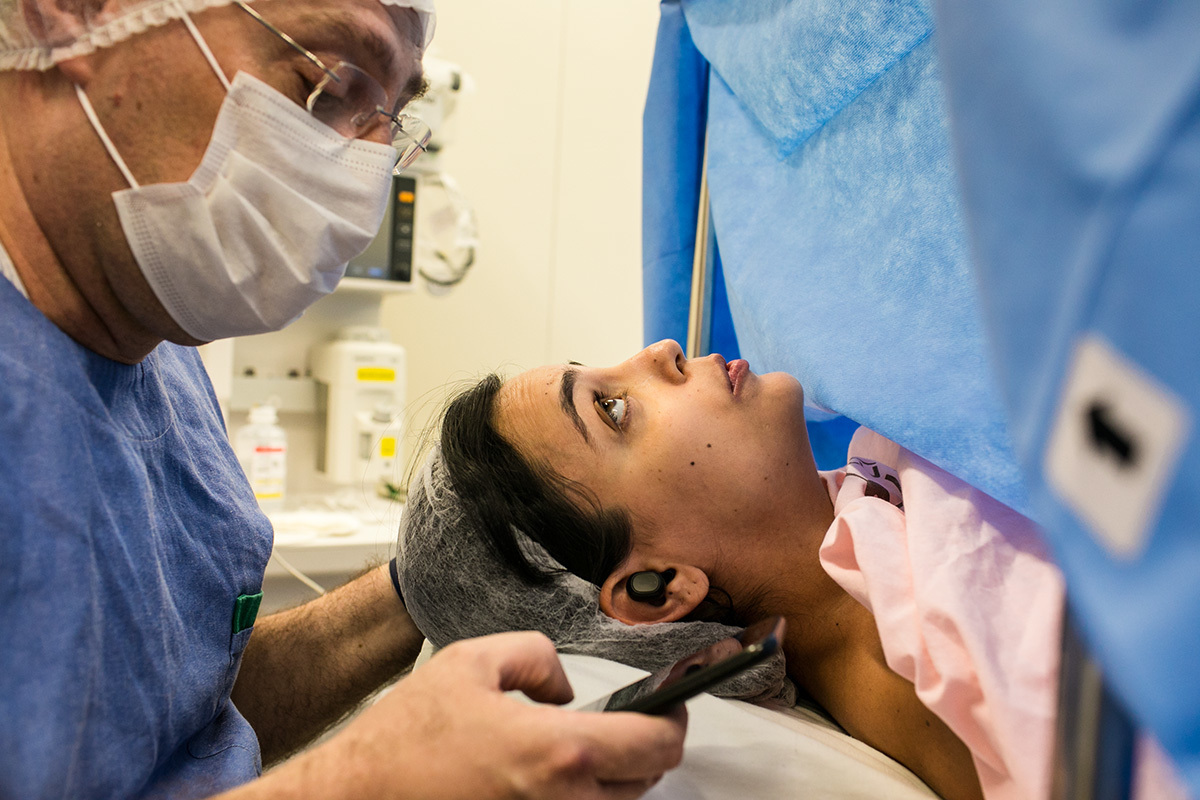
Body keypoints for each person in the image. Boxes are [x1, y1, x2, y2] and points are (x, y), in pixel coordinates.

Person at [0, 2, 685, 798]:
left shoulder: (158, 344)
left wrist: (429, 587)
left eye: (390, 116)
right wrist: (360, 780)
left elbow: (165, 715)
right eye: (329, 82)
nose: (359, 170)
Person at [397, 339, 1068, 800]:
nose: (660, 352)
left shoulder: (870, 514)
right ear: (655, 589)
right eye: (614, 410)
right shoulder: (946, 653)